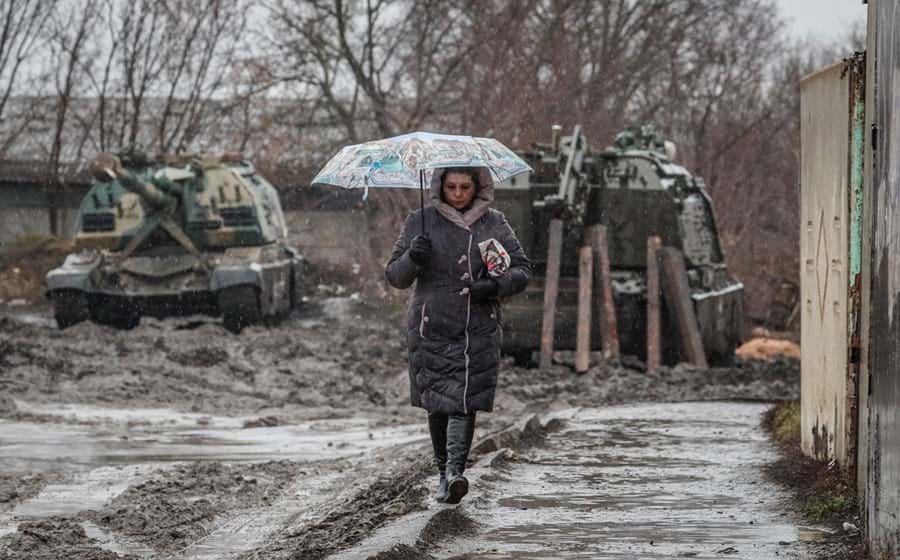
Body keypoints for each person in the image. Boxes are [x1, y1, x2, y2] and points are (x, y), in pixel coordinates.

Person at [385, 167, 531, 504]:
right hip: (430, 325)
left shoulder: (494, 222)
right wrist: (412, 257)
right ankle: (443, 473)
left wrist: (494, 285)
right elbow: (395, 276)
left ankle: (455, 473)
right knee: (438, 403)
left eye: (465, 186)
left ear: (478, 186)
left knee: (465, 398)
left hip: (476, 325)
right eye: (451, 186)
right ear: (440, 186)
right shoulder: (420, 220)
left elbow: (522, 270)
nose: (458, 193)